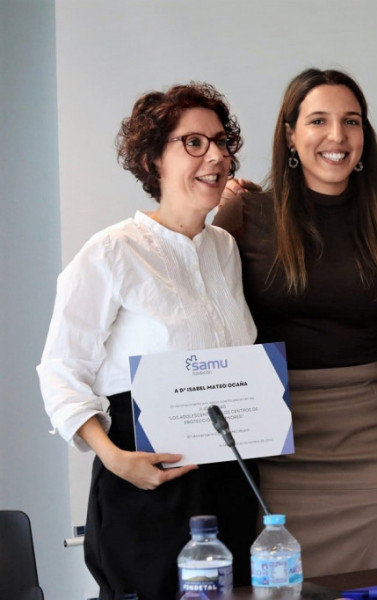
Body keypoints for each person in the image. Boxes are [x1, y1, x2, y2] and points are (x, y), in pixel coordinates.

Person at [36, 83, 258, 598]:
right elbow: (60, 369)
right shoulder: (111, 251)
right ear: (151, 159)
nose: (216, 156)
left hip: (229, 480)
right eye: (193, 143)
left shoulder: (225, 249)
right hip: (146, 483)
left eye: (221, 142)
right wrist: (113, 458)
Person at [214, 69, 377, 577]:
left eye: (351, 122)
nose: (337, 136)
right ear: (291, 134)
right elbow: (208, 322)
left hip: (368, 441)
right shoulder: (245, 215)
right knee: (281, 583)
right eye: (319, 120)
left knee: (370, 583)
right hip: (273, 440)